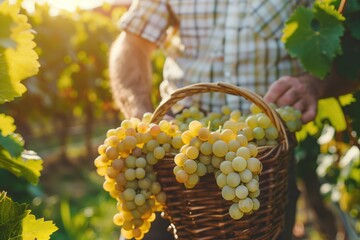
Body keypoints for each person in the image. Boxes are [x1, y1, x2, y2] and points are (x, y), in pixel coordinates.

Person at [109, 0, 360, 239]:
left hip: (264, 165)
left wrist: (315, 84)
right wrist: (142, 119)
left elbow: (350, 52)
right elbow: (132, 44)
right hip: (172, 162)